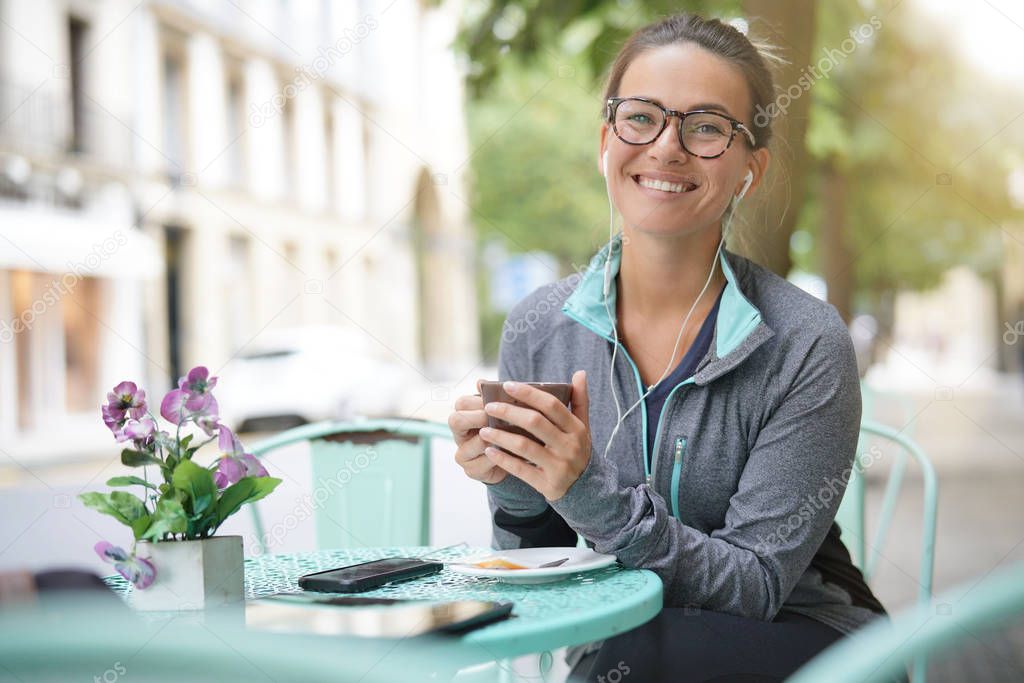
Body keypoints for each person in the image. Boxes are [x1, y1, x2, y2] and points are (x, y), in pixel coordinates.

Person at [448, 12, 888, 682]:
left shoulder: (806, 340)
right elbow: (532, 569)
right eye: (641, 117)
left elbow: (754, 586)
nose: (666, 147)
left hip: (809, 642)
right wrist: (513, 480)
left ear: (750, 169)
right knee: (634, 648)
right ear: (606, 141)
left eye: (706, 126)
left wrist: (586, 488)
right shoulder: (538, 327)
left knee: (642, 651)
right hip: (630, 646)